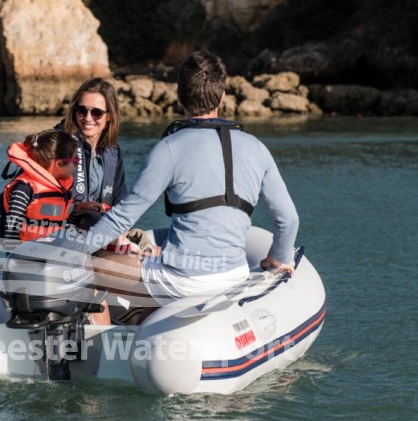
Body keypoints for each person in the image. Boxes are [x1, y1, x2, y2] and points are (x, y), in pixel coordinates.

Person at [63, 50, 299, 307]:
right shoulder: (257, 147)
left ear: (179, 95)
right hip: (235, 275)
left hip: (179, 282)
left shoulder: (168, 148)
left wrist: (73, 253)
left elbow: (121, 218)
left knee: (95, 265)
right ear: (222, 96)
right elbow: (288, 220)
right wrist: (277, 259)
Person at [60, 78, 127, 228]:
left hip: (98, 228)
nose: (88, 118)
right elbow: (44, 200)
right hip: (62, 230)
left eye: (97, 113)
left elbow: (120, 202)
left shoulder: (113, 152)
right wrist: (77, 208)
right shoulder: (59, 145)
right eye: (82, 110)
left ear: (109, 116)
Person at [0, 129, 79, 247]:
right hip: (26, 253)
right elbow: (11, 228)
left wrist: (80, 208)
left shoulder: (62, 188)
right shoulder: (24, 188)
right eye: (76, 160)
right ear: (60, 163)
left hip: (53, 250)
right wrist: (15, 255)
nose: (77, 164)